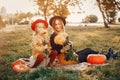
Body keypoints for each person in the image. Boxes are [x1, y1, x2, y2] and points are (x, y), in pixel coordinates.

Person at [47, 16, 118, 67]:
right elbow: (55, 51)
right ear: (53, 26)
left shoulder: (63, 34)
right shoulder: (53, 36)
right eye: (55, 24)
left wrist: (69, 45)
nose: (57, 26)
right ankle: (108, 56)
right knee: (87, 56)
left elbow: (67, 47)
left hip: (71, 54)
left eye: (59, 24)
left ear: (62, 24)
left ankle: (105, 54)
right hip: (65, 59)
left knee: (88, 49)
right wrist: (63, 49)